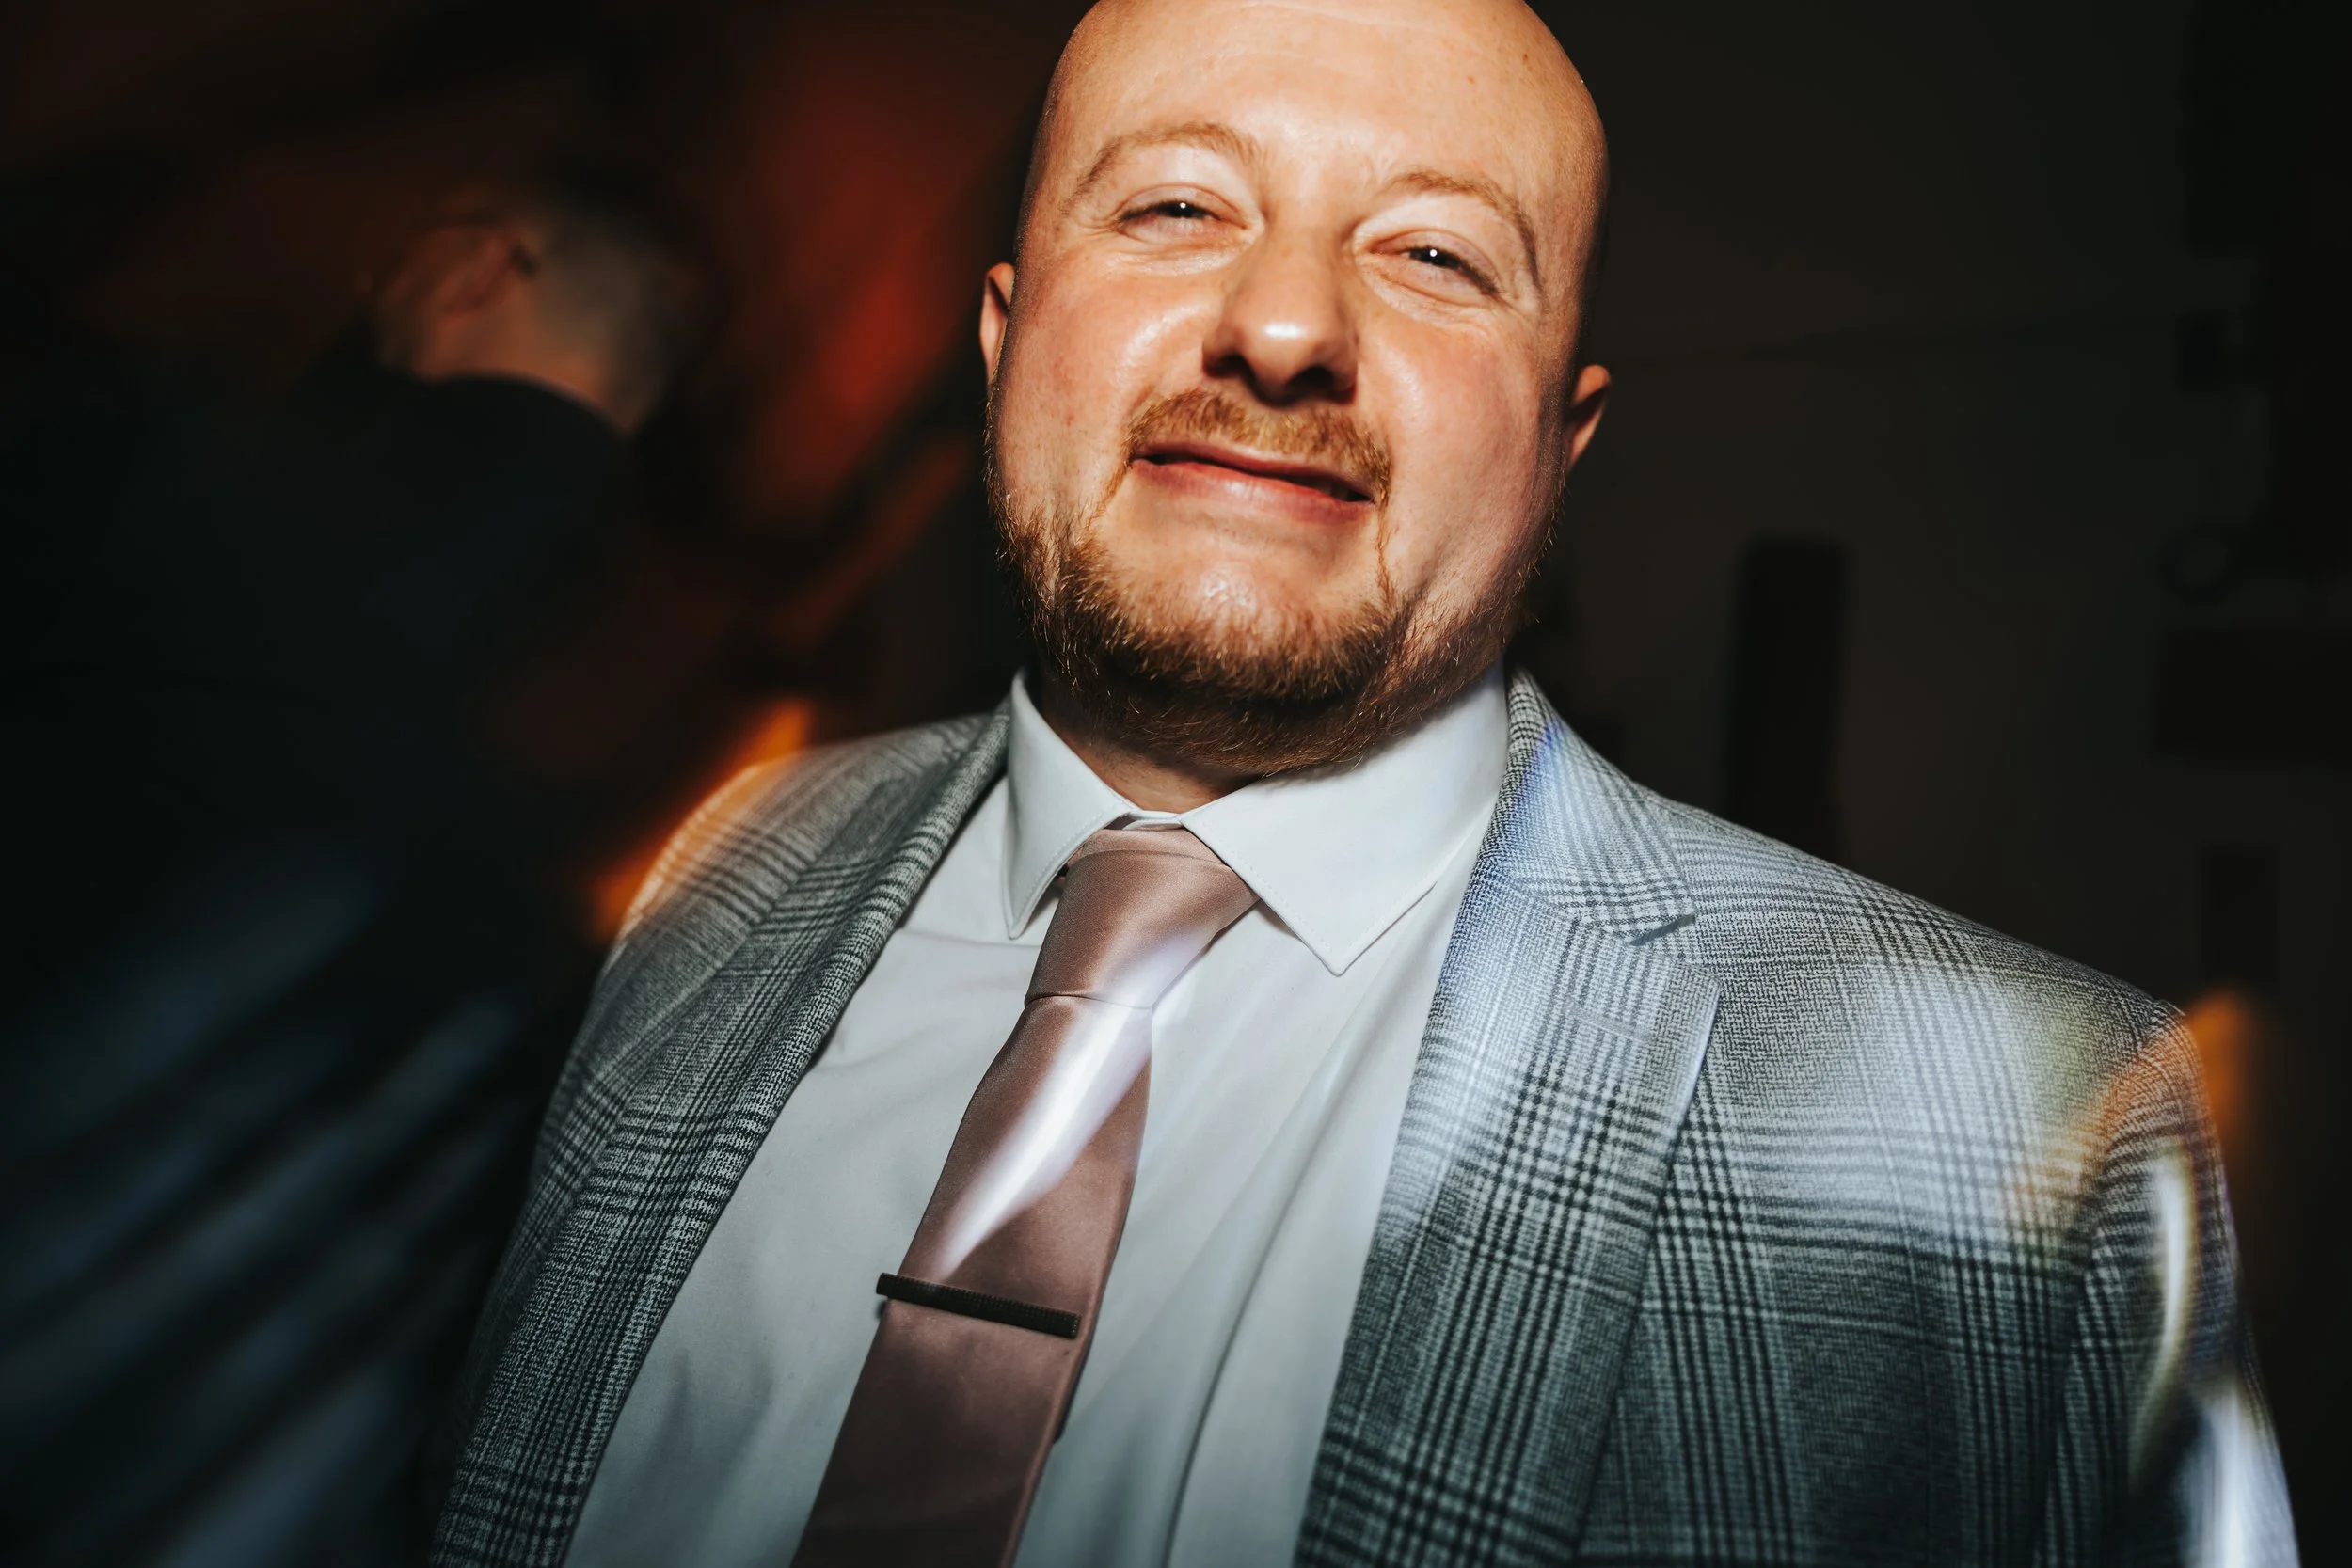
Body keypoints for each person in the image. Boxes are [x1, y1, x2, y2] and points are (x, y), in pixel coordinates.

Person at [430, 3, 2296, 1564]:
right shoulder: (724, 875)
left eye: (1430, 253)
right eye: (1173, 203)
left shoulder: (2016, 1146)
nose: (1285, 328)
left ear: (1561, 438)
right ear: (1002, 346)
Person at [0, 166, 701, 1566]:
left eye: (404, 252)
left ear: (480, 267)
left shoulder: (147, 463)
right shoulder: (640, 789)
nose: (370, 284)